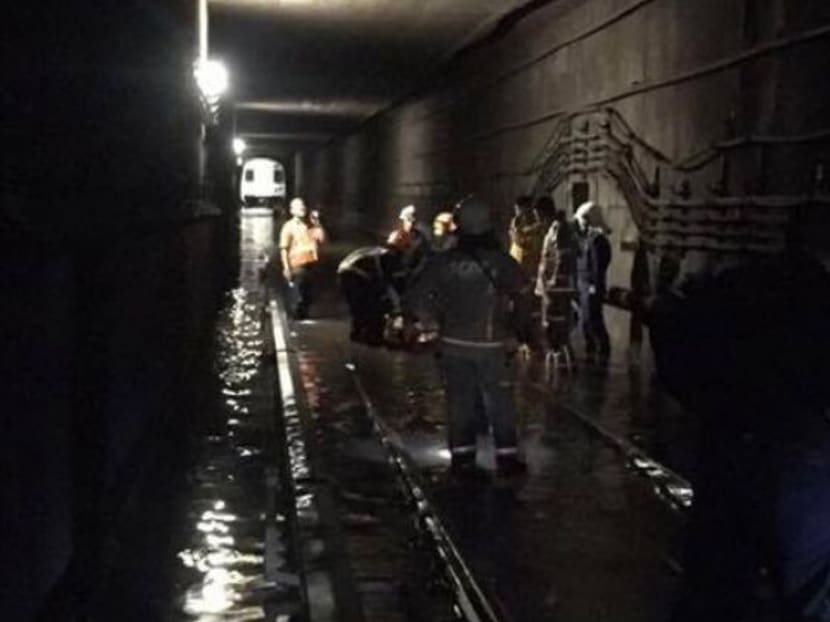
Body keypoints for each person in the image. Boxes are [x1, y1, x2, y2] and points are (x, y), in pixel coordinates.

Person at [649, 250, 830, 622]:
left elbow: (677, 357)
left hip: (732, 438)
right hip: (800, 436)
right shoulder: (812, 299)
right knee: (806, 565)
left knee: (719, 558)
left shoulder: (726, 298)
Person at [407, 196, 531, 478]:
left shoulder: (443, 262)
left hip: (454, 346)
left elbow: (416, 297)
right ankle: (507, 459)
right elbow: (524, 297)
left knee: (459, 402)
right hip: (493, 346)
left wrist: (430, 320)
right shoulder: (503, 263)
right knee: (500, 402)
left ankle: (462, 459)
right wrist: (519, 331)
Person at [536, 209, 578, 372]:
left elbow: (561, 257)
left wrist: (552, 281)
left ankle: (561, 358)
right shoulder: (558, 229)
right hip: (555, 286)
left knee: (553, 322)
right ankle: (563, 357)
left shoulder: (559, 230)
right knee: (556, 322)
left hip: (556, 288)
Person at [574, 200, 612, 360]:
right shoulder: (587, 238)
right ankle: (591, 348)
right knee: (586, 319)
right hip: (584, 283)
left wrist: (594, 285)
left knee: (593, 318)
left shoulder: (598, 240)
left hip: (591, 285)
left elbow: (598, 265)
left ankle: (603, 348)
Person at [279, 197, 326, 319]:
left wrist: (317, 223)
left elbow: (322, 239)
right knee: (298, 296)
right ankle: (296, 316)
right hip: (297, 266)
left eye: (303, 206)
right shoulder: (288, 227)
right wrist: (286, 268)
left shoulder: (311, 225)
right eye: (299, 206)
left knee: (308, 295)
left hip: (311, 265)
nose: (302, 208)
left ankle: (304, 314)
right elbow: (284, 248)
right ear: (292, 211)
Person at [508, 196, 544, 281]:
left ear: (526, 208)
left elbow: (522, 242)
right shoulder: (515, 223)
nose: (517, 212)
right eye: (516, 209)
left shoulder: (537, 227)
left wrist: (517, 233)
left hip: (530, 266)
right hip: (516, 263)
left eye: (518, 209)